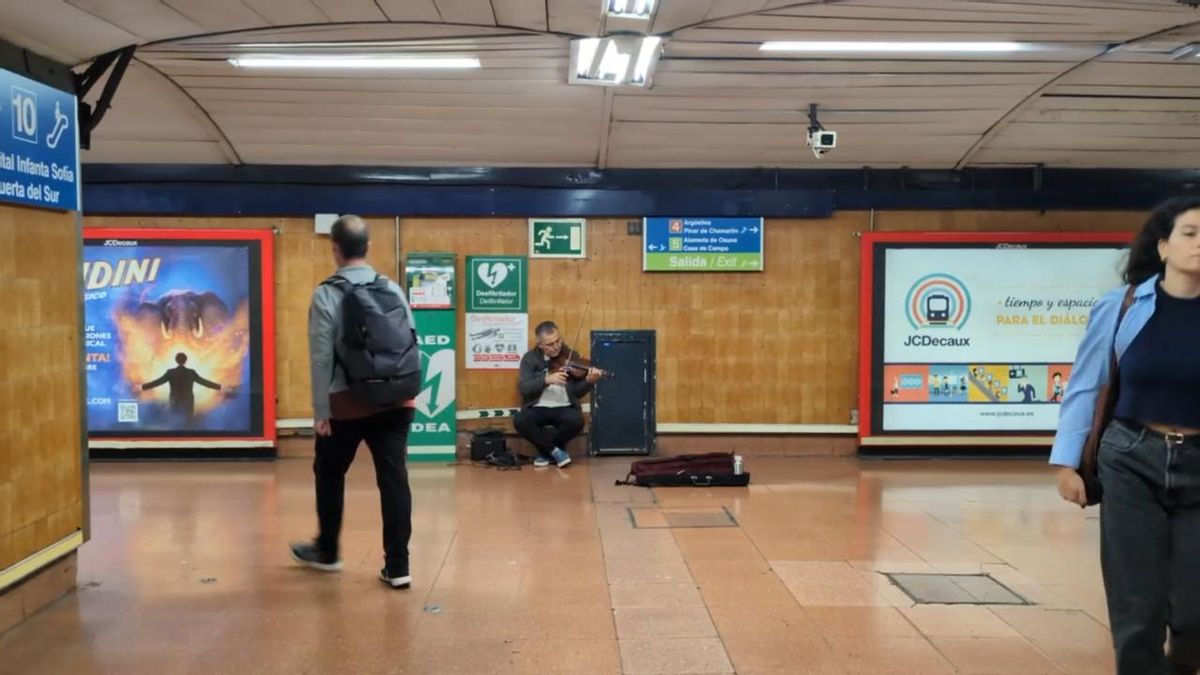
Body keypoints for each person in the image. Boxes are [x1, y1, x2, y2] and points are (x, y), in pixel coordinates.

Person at [1050, 196, 1200, 674]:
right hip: (1132, 457)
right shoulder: (1123, 306)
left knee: (1195, 610)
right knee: (1138, 604)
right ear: (1163, 246)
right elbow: (1086, 384)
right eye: (1191, 233)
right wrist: (1067, 461)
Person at [290, 215, 418, 590]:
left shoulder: (327, 293)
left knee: (329, 473)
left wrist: (321, 411)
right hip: (396, 400)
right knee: (394, 479)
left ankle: (328, 551)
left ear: (335, 248)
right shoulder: (392, 288)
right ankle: (398, 566)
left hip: (346, 403)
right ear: (369, 247)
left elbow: (321, 358)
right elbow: (412, 340)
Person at [514, 321, 601, 468]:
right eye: (550, 344)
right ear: (540, 344)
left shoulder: (571, 356)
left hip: (564, 406)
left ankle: (548, 452)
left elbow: (577, 393)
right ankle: (555, 451)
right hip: (538, 407)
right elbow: (524, 388)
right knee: (520, 421)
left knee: (576, 421)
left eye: (558, 341)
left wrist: (588, 381)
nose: (556, 347)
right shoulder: (530, 359)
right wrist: (547, 379)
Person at [134, 352, 226, 426]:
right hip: (188, 402)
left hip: (175, 401)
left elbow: (157, 382)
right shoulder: (191, 373)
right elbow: (205, 382)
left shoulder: (170, 372)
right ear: (186, 361)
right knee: (188, 424)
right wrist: (220, 387)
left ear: (176, 360)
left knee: (175, 423)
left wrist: (142, 387)